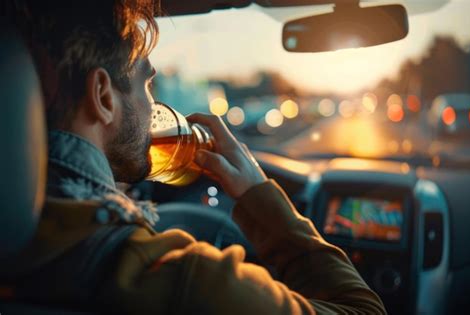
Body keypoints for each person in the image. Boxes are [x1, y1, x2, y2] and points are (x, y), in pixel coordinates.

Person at [6, 0, 386, 314]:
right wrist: (258, 194)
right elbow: (365, 309)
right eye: (147, 84)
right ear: (104, 98)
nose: (154, 104)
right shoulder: (185, 281)